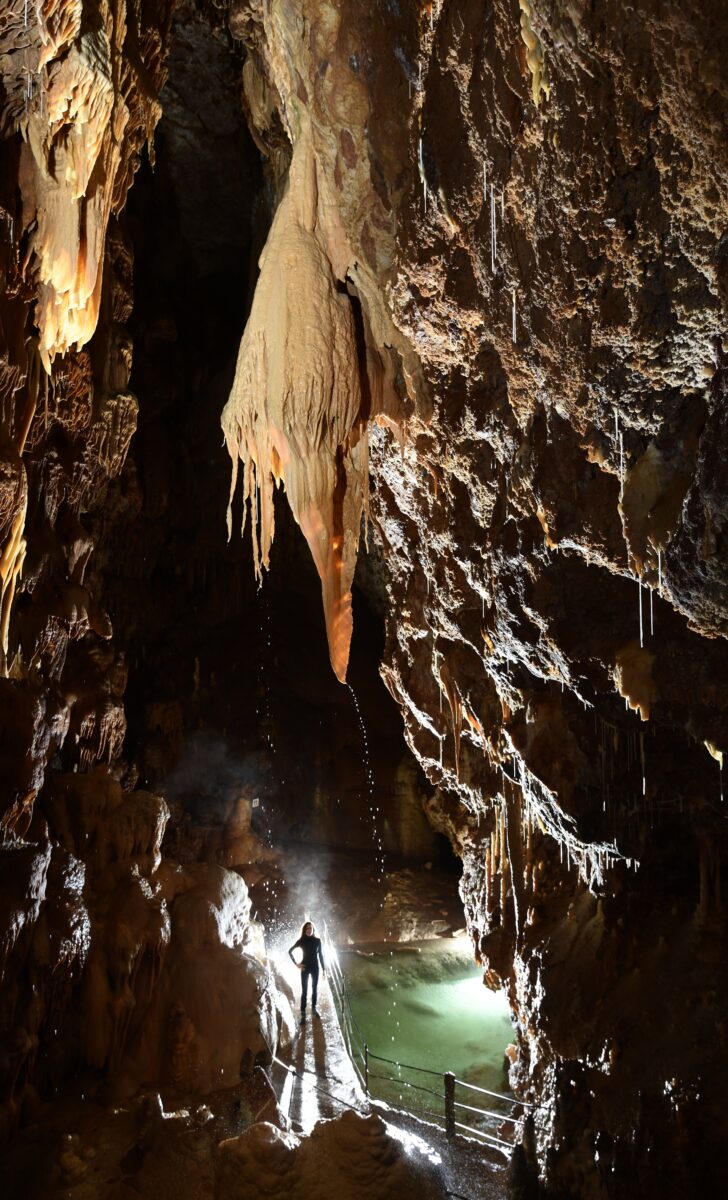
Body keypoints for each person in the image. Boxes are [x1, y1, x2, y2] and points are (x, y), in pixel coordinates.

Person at [288, 920, 325, 1023]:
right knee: (304, 991)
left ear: (313, 929)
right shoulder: (301, 941)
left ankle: (314, 1009)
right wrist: (297, 964)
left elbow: (321, 955)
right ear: (304, 930)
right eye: (307, 928)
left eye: (310, 928)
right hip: (305, 967)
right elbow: (290, 951)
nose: (309, 930)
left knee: (314, 989)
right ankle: (303, 1013)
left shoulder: (317, 941)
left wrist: (324, 969)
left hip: (315, 968)